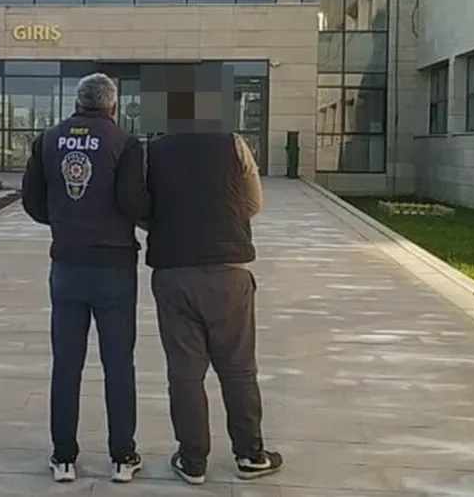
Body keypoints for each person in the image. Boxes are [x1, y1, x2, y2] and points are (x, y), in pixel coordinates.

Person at [21, 73, 149, 484]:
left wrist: (64, 220)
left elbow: (31, 200)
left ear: (77, 103)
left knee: (67, 363)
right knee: (118, 363)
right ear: (113, 105)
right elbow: (132, 203)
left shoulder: (47, 140)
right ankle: (122, 456)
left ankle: (63, 456)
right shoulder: (125, 143)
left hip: (67, 264)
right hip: (114, 267)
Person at [143, 131, 283, 485]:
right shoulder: (234, 144)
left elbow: (141, 208)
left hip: (174, 272)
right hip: (229, 270)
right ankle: (250, 454)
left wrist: (169, 223)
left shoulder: (153, 151)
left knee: (185, 372)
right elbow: (253, 203)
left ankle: (192, 460)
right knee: (238, 368)